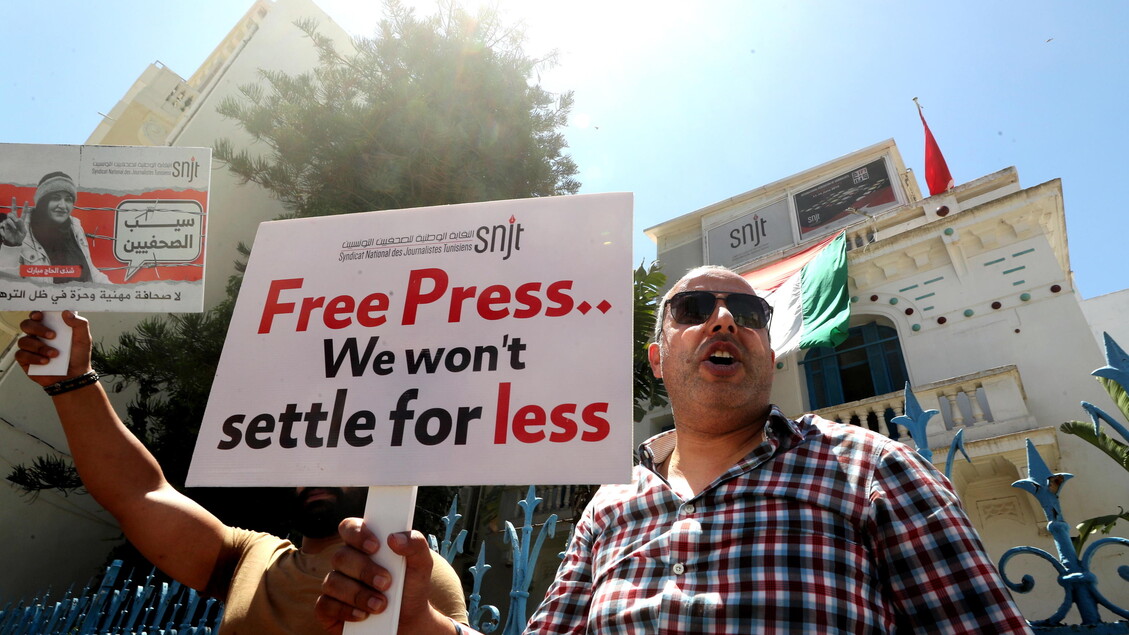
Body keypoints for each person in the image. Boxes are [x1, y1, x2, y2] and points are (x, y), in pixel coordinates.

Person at [317, 265, 1034, 634]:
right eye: (694, 310)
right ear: (657, 359)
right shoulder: (607, 506)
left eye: (748, 313)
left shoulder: (870, 467)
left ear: (768, 351)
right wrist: (418, 620)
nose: (724, 318)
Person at [14, 311, 468, 634]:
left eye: (340, 455)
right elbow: (140, 494)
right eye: (307, 457)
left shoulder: (411, 574)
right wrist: (72, 382)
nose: (317, 472)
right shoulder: (250, 557)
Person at [0, 171, 110, 283]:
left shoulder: (75, 228)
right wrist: (11, 246)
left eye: (68, 199)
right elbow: (7, 283)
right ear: (43, 202)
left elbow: (91, 271)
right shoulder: (21, 233)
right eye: (55, 198)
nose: (62, 205)